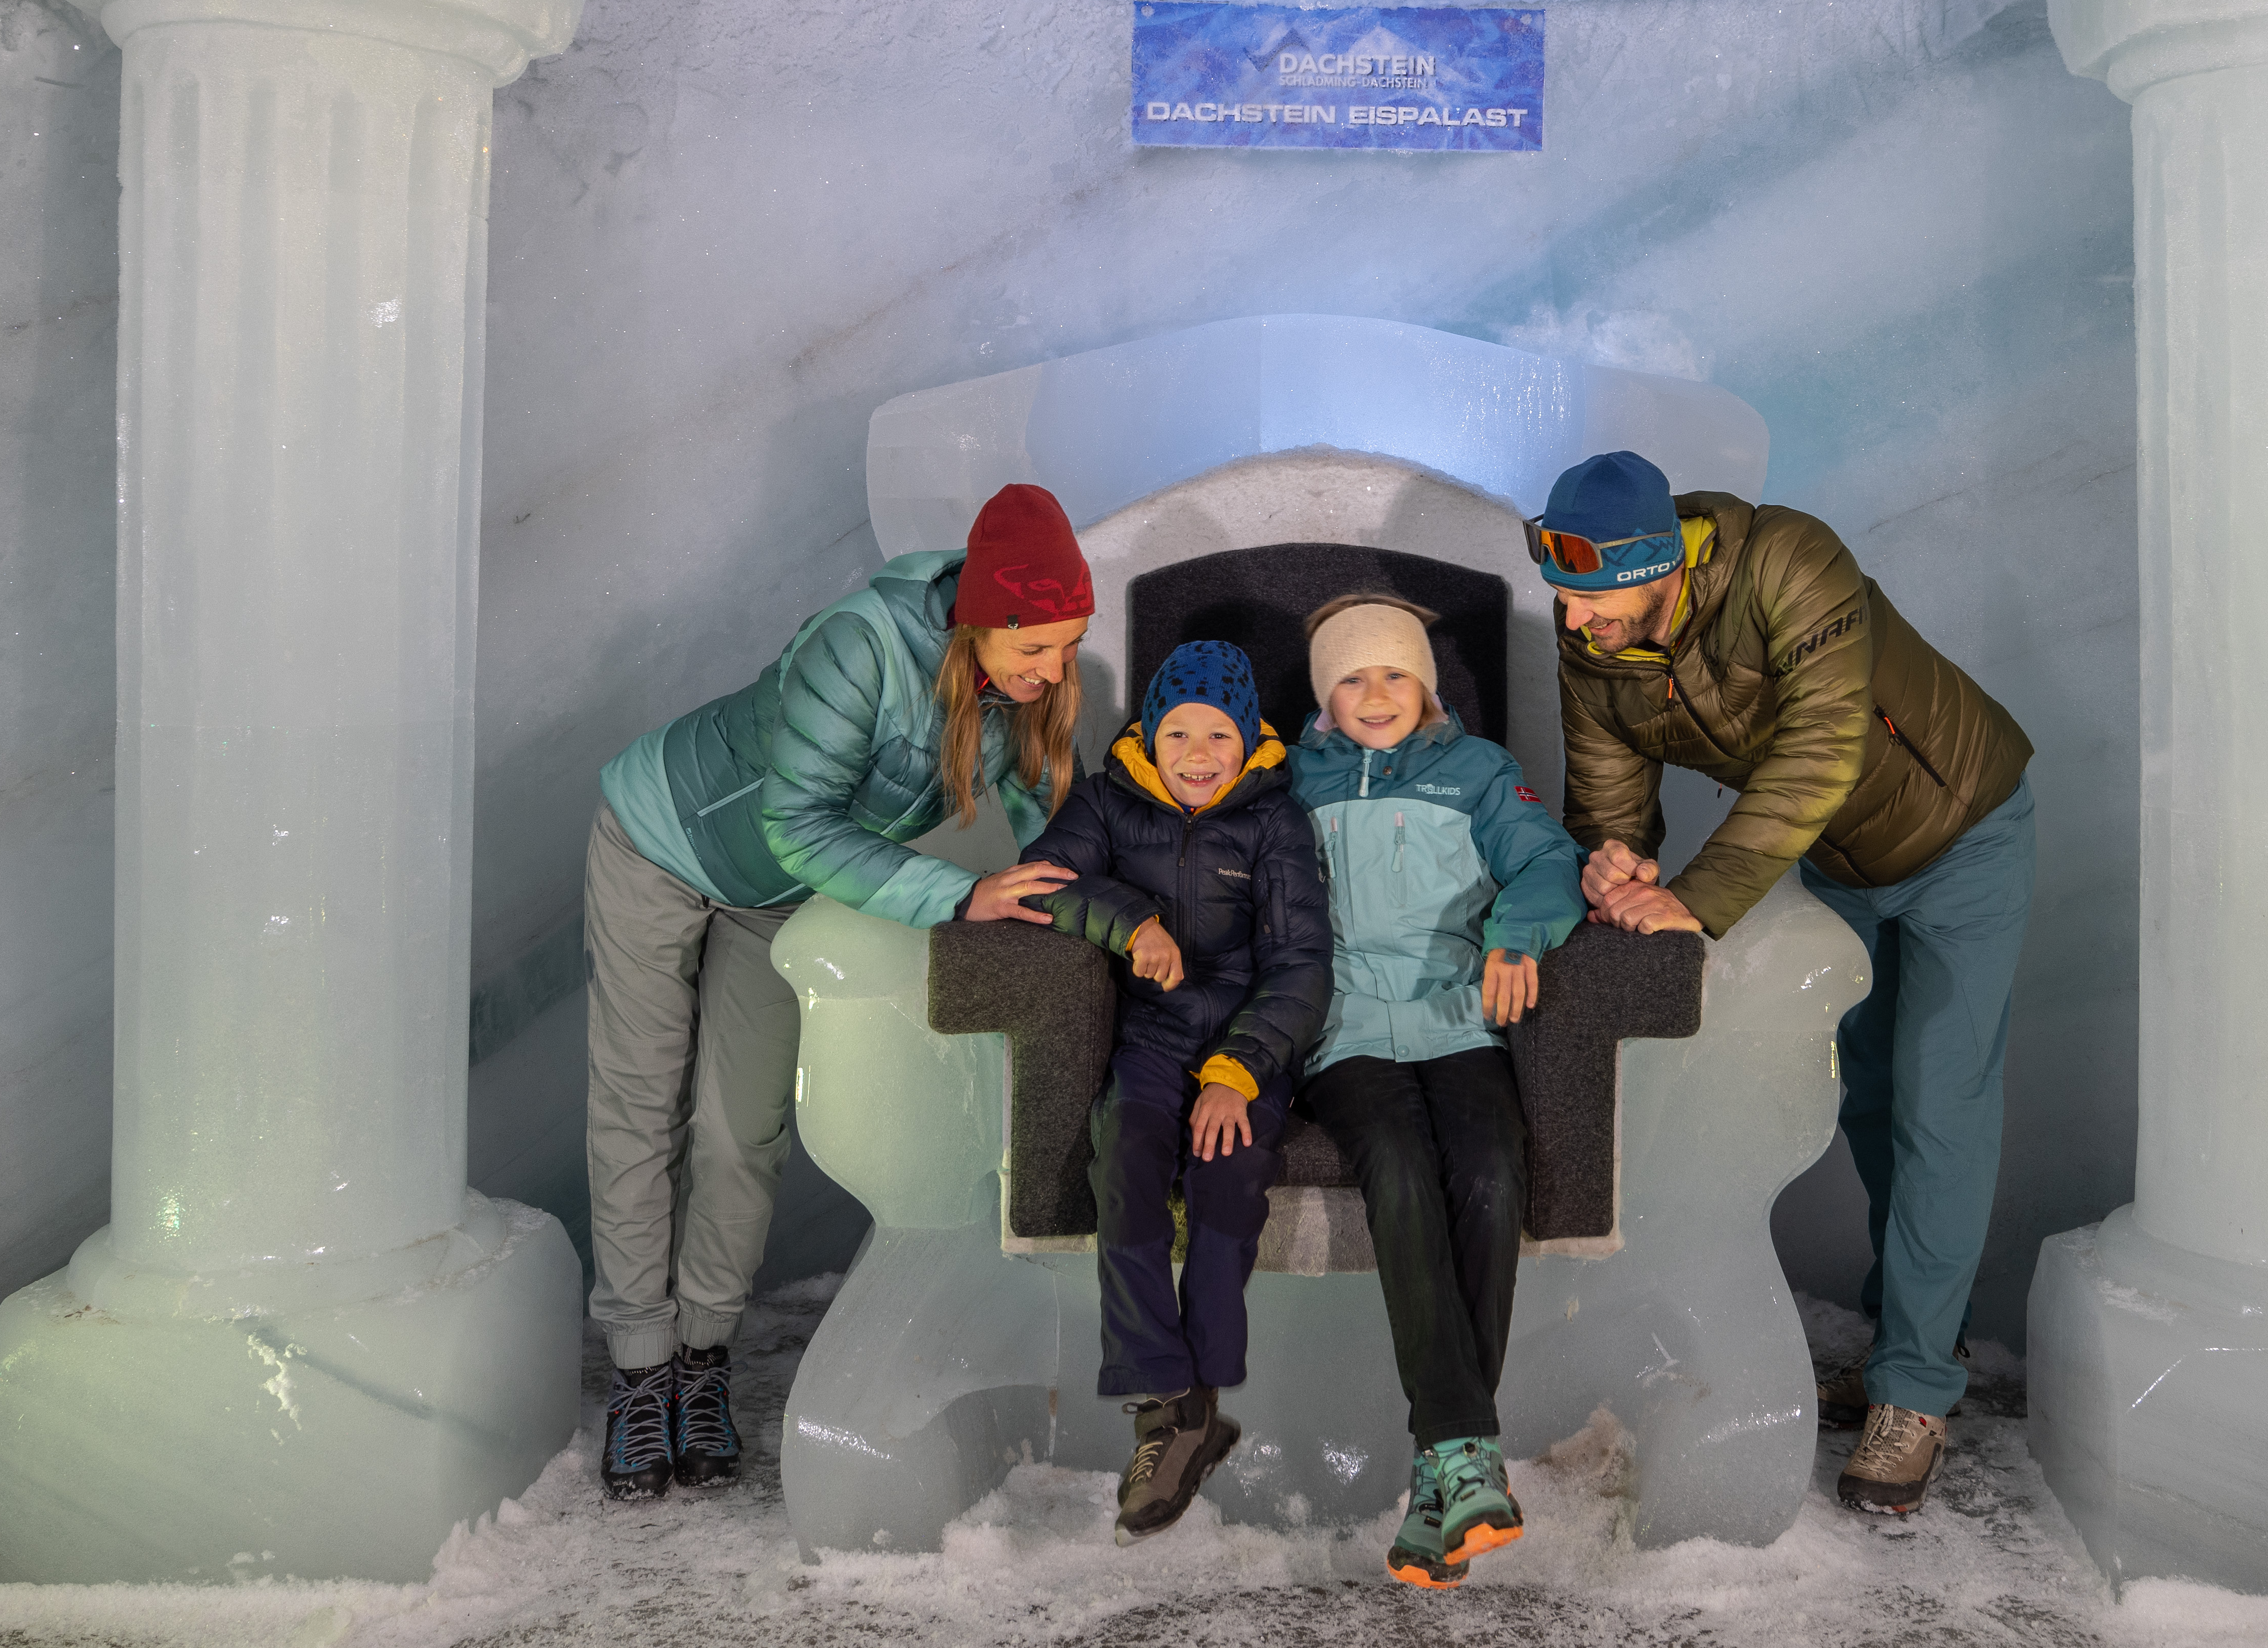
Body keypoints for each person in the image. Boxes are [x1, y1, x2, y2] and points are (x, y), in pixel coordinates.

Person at [1532, 448, 2035, 1518]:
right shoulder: (1596, 641)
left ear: (1657, 564)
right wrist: (1611, 859)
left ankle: (1913, 1391)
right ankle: (1917, 1339)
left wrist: (1697, 899)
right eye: (1562, 603)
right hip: (1837, 861)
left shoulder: (1789, 558)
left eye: (1591, 599)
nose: (1575, 626)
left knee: (1940, 1104)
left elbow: (1820, 747)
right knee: (1866, 1098)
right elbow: (1608, 792)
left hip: (1963, 835)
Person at [583, 483, 1094, 1503]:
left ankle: (703, 1358)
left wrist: (1115, 908)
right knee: (642, 1104)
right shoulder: (861, 643)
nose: (1051, 672)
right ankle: (641, 1371)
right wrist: (964, 894)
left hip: (776, 899)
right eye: (1034, 646)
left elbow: (1059, 825)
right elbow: (797, 822)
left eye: (1068, 647)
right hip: (660, 843)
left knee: (742, 1130)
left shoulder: (1015, 697)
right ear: (980, 620)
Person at [1285, 593, 1586, 1587]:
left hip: (1459, 1017)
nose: (1376, 693)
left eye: (1395, 674)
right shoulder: (1290, 780)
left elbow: (1546, 862)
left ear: (1428, 684)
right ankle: (1464, 1453)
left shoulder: (1478, 771)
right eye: (1354, 676)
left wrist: (1515, 935)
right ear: (1325, 693)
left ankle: (1442, 1477)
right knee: (1402, 1171)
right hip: (1347, 1031)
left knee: (1492, 1171)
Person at [1003, 637, 1332, 1540]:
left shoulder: (1277, 822)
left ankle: (1200, 1397)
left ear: (1249, 742)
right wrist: (1132, 921)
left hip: (1245, 1045)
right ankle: (1171, 1405)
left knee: (1227, 1179)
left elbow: (1303, 965)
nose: (1197, 756)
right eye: (1178, 733)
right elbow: (1043, 883)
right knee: (1130, 1157)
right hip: (1149, 1035)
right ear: (1149, 736)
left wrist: (1238, 1072)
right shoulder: (1108, 800)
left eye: (1218, 737)